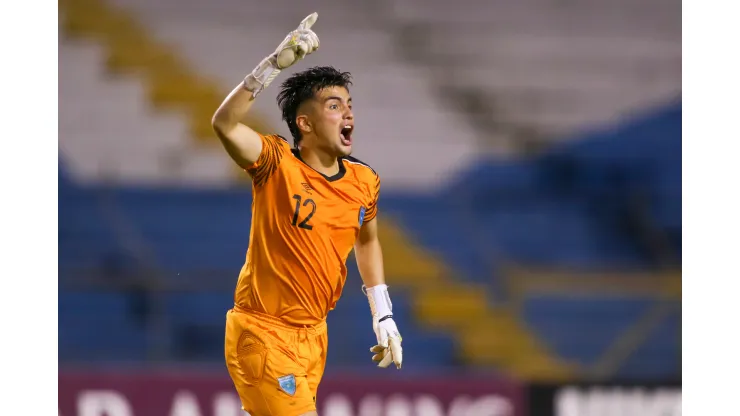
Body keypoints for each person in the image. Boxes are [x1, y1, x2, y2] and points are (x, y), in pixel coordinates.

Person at [211, 12, 403, 416]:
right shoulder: (276, 163)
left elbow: (366, 241)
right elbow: (225, 125)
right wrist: (270, 67)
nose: (348, 114)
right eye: (334, 106)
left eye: (349, 105)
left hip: (313, 337)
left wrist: (383, 314)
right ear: (305, 123)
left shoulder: (364, 181)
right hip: (262, 331)